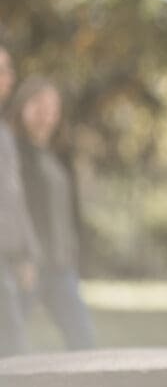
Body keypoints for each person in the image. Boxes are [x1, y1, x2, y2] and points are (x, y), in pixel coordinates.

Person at [9, 77, 96, 351]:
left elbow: (69, 212)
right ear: (22, 107)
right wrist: (22, 256)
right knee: (10, 344)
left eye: (52, 106)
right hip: (28, 266)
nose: (46, 113)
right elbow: (12, 209)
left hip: (61, 265)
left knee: (84, 341)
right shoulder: (12, 152)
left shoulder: (58, 155)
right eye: (38, 104)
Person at [0, 45, 41, 357]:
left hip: (10, 256)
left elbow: (13, 197)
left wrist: (27, 253)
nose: (10, 77)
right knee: (16, 346)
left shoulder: (4, 134)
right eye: (3, 70)